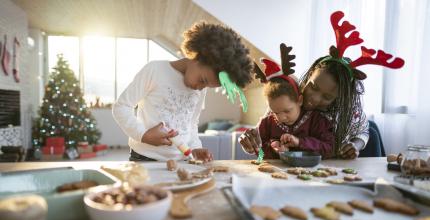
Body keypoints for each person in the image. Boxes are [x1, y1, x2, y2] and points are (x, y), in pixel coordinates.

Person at [240, 11, 404, 159]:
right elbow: (271, 117)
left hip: (343, 155)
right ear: (310, 74)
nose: (313, 98)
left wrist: (355, 145)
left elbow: (363, 131)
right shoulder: (291, 91)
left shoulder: (350, 107)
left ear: (339, 98)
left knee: (372, 129)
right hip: (310, 160)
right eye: (313, 86)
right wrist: (252, 138)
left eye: (327, 97)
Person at [113, 22, 253, 162]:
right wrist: (143, 135)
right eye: (203, 80)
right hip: (144, 158)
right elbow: (121, 107)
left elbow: (191, 124)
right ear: (198, 56)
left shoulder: (199, 90)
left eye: (207, 86)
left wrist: (195, 147)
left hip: (182, 160)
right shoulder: (155, 70)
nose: (200, 88)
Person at [246, 44, 334, 159]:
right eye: (275, 112)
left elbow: (330, 148)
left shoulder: (317, 121)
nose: (281, 118)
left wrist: (299, 142)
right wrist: (273, 148)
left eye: (287, 111)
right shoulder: (267, 123)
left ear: (300, 100)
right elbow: (259, 151)